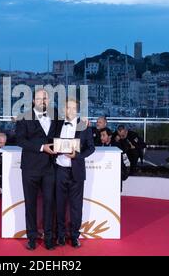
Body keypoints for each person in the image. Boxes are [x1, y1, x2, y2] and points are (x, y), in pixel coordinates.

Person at [15, 88, 58, 251]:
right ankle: (31, 238)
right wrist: (41, 147)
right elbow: (20, 141)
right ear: (33, 100)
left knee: (49, 204)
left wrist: (84, 122)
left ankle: (48, 238)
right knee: (30, 205)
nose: (43, 101)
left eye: (45, 98)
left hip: (49, 168)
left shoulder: (55, 114)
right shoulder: (24, 117)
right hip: (30, 168)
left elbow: (69, 126)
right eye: (39, 98)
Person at [55, 98, 95, 248]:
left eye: (73, 108)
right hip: (59, 169)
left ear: (77, 110)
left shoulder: (84, 126)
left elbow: (91, 148)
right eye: (67, 108)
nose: (70, 111)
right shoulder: (57, 124)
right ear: (63, 109)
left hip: (76, 171)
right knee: (59, 205)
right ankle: (60, 236)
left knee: (76, 206)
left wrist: (76, 155)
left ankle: (75, 236)